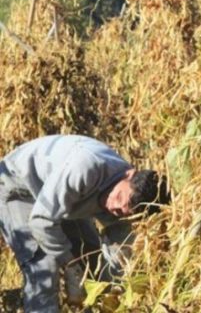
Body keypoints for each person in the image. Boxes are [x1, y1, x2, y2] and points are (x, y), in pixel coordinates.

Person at [0, 134, 170, 313]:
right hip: (17, 187)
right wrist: (70, 265)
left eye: (122, 211)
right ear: (128, 174)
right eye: (119, 197)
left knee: (89, 257)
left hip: (61, 199)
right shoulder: (85, 167)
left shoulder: (129, 204)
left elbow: (116, 255)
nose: (114, 207)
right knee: (44, 267)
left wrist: (114, 292)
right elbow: (41, 221)